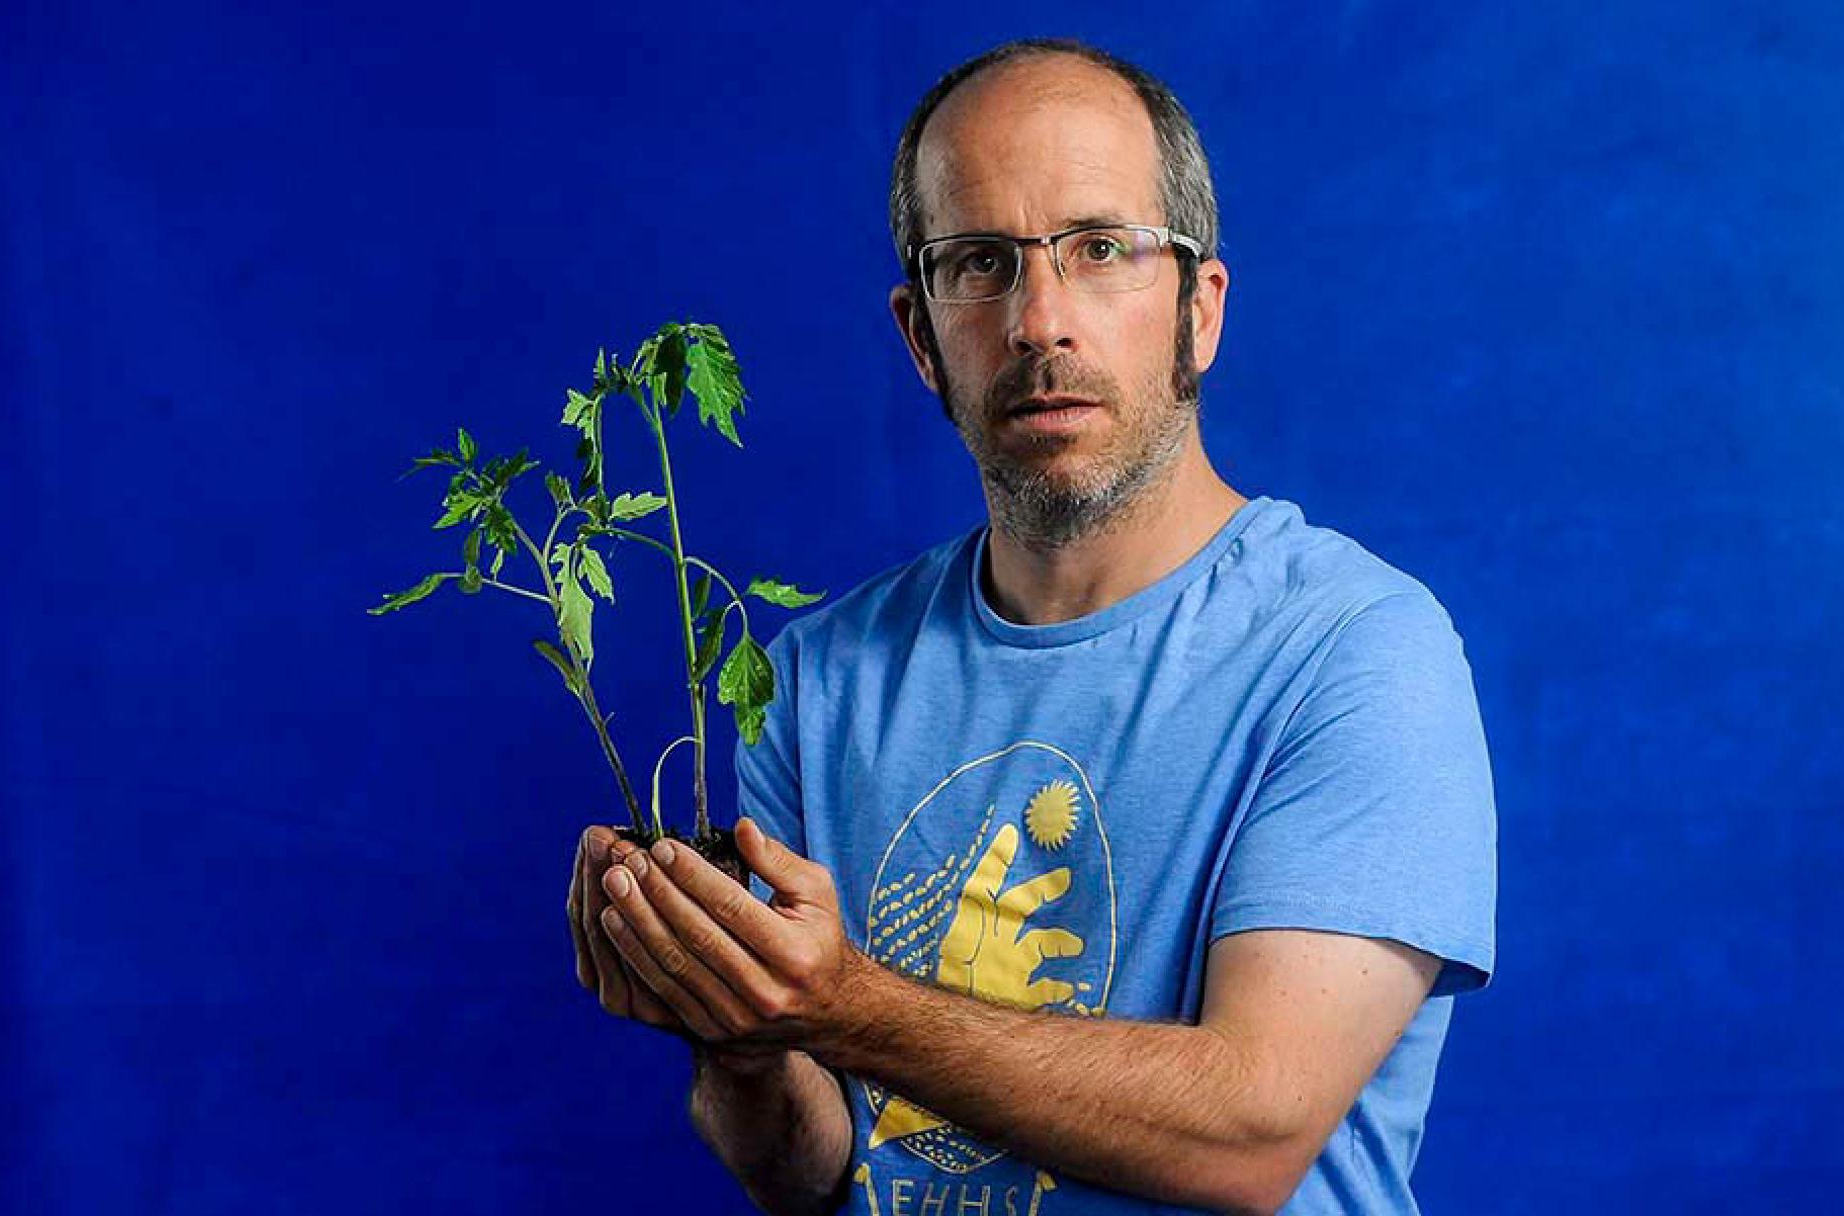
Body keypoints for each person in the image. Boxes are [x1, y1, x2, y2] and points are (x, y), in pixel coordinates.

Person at [567, 38, 1496, 1216]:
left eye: (1101, 250)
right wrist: (742, 1032)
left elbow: (1250, 1131)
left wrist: (841, 1001)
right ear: (921, 336)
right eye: (982, 263)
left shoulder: (1356, 651)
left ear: (1198, 313)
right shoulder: (816, 677)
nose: (1039, 319)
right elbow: (815, 1176)